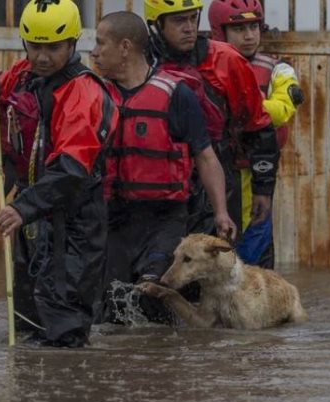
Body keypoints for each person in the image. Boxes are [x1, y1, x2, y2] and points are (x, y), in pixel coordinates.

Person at [0, 0, 118, 348]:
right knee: (28, 321)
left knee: (64, 324)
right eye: (35, 46)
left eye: (53, 48)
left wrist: (21, 208)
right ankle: (30, 396)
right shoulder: (20, 76)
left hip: (74, 221)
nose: (42, 57)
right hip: (32, 216)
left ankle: (66, 394)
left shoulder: (83, 91)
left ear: (72, 43)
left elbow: (72, 168)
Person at [90, 11, 236, 324]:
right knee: (111, 306)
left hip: (164, 218)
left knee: (154, 294)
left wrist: (221, 212)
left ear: (125, 47)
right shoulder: (94, 94)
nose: (94, 52)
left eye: (101, 43)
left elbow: (207, 158)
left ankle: (164, 367)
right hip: (112, 218)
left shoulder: (176, 95)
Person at [144, 0, 281, 269]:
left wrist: (263, 190)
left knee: (224, 267)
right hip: (155, 181)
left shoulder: (225, 60)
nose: (189, 28)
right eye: (178, 21)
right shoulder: (139, 61)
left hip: (216, 175)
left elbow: (259, 126)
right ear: (157, 25)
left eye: (192, 19)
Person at [208, 0, 305, 267]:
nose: (249, 35)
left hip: (255, 173)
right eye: (239, 28)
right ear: (220, 31)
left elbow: (283, 108)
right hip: (213, 170)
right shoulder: (204, 66)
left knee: (254, 253)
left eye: (253, 26)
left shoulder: (279, 69)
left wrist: (241, 104)